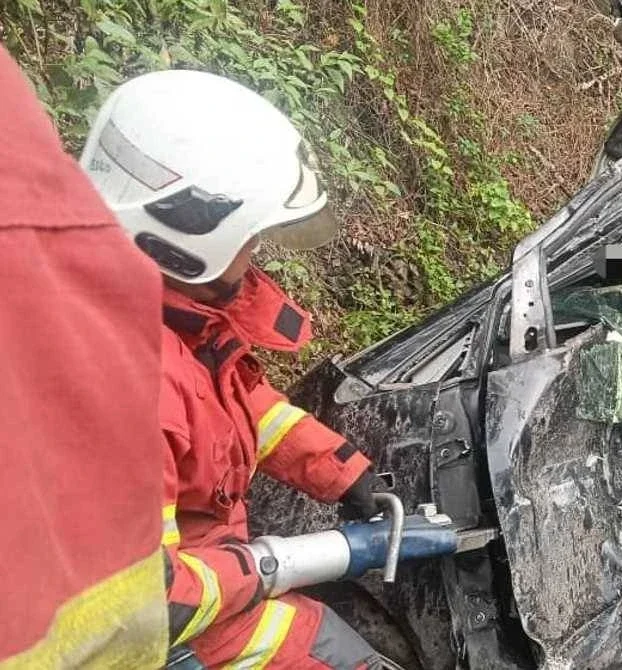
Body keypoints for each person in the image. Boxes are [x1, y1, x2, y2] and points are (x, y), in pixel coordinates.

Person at [80, 69, 393, 668]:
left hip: (212, 596)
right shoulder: (118, 389)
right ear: (183, 235)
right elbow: (149, 601)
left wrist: (343, 472)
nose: (257, 256)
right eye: (250, 238)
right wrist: (277, 563)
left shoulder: (170, 317)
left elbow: (239, 405)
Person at [0, 46, 169, 667]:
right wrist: (258, 567)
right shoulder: (135, 352)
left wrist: (341, 467)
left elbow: (258, 414)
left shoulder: (211, 339)